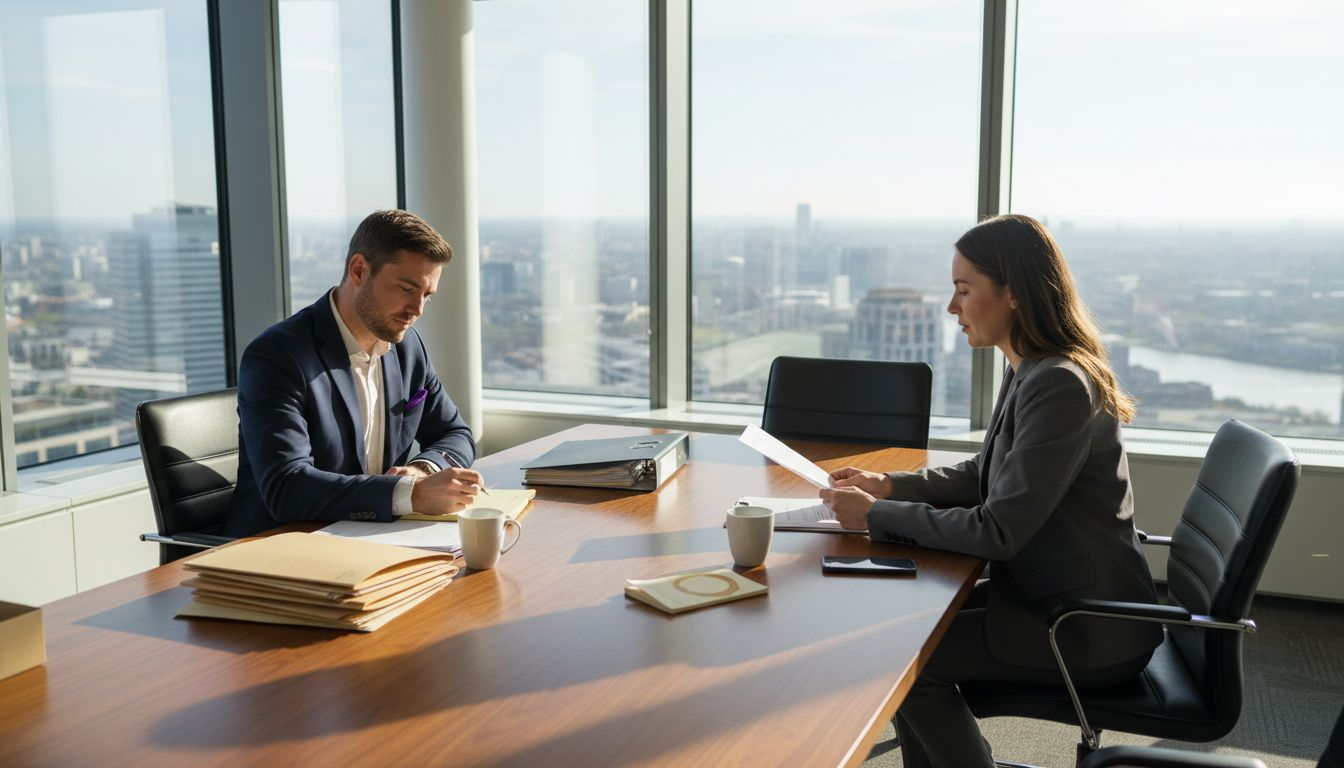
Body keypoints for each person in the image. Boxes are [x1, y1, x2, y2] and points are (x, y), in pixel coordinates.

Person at [819, 214, 1163, 768]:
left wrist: (878, 513)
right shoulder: (1032, 367)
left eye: (963, 290)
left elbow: (998, 530)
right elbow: (988, 472)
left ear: (1014, 294)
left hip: (1084, 627)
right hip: (1050, 595)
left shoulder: (1058, 382)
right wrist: (889, 483)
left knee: (901, 660)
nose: (952, 308)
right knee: (904, 630)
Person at [225, 209, 483, 537]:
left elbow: (457, 434)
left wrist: (421, 469)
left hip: (371, 538)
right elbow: (288, 488)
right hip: (280, 550)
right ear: (359, 269)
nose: (417, 309)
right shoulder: (278, 356)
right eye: (406, 288)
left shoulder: (407, 348)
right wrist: (410, 495)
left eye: (426, 295)